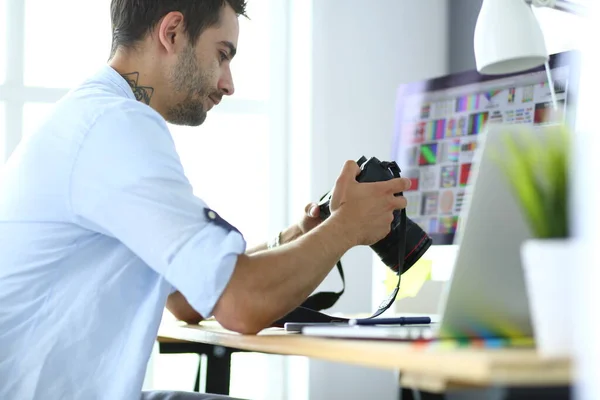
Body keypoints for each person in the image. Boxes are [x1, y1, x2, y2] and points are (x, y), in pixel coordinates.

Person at [0, 1, 411, 399]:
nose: (228, 83)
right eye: (222, 55)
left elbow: (188, 299)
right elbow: (240, 304)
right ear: (172, 32)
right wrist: (345, 228)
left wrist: (300, 235)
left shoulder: (93, 118)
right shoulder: (115, 126)